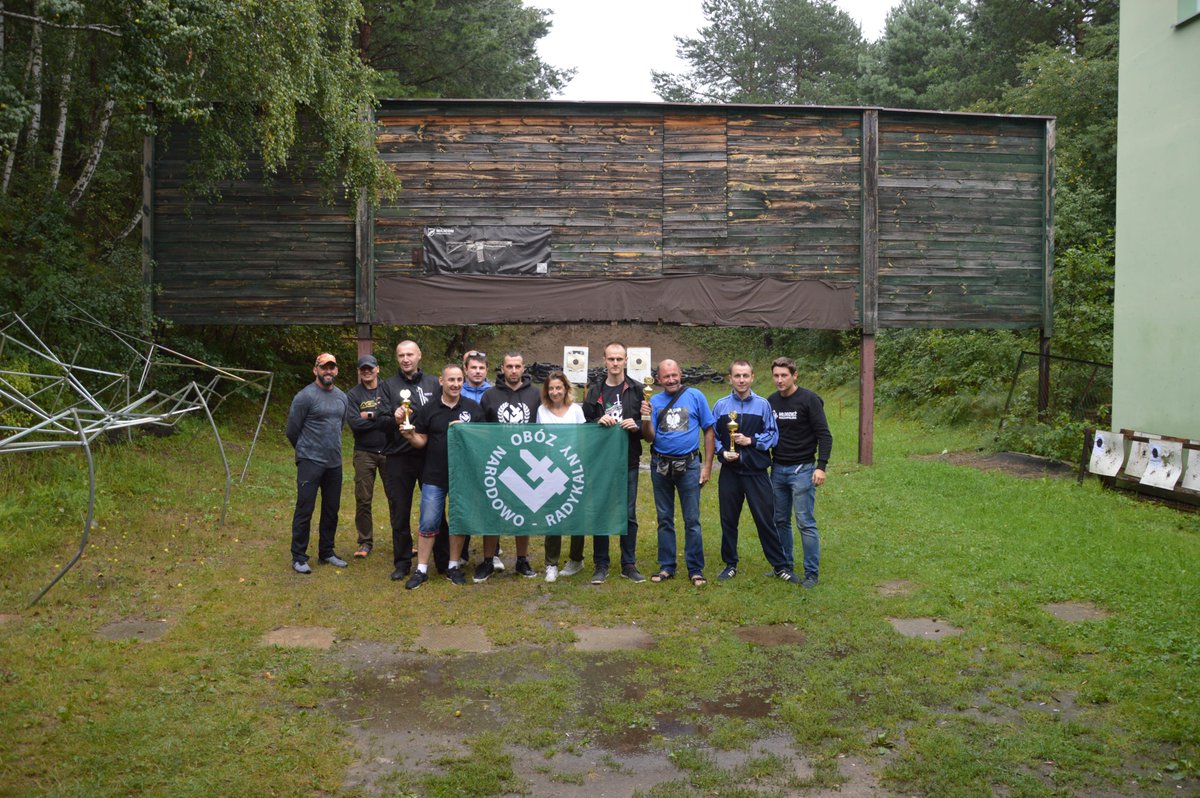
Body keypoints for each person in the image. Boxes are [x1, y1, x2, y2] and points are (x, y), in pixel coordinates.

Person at [397, 363, 485, 589]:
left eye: (459, 380)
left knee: (458, 523)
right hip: (434, 475)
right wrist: (409, 436)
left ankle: (453, 566)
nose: (455, 384)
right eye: (451, 380)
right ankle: (421, 569)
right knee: (428, 522)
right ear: (441, 381)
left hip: (463, 476)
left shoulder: (473, 408)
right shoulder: (428, 409)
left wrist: (466, 430)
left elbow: (482, 443)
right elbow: (421, 441)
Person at [712, 360, 798, 584]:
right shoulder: (721, 406)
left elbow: (773, 435)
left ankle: (780, 565)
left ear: (752, 377)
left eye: (745, 376)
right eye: (737, 376)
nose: (741, 380)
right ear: (730, 378)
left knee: (765, 519)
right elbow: (714, 437)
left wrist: (750, 440)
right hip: (730, 472)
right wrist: (722, 453)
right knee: (728, 520)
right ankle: (730, 564)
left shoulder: (763, 405)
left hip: (756, 472)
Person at [640, 359, 715, 586]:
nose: (671, 380)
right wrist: (645, 417)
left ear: (680, 374)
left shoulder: (695, 396)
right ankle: (666, 566)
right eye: (666, 376)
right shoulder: (653, 401)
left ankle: (695, 569)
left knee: (692, 520)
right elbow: (649, 437)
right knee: (664, 519)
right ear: (659, 379)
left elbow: (709, 430)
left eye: (674, 375)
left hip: (689, 465)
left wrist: (708, 467)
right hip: (660, 465)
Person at [581, 341, 647, 584]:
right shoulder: (595, 390)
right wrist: (599, 420)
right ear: (605, 360)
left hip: (628, 459)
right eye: (611, 359)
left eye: (620, 359)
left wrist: (637, 425)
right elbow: (585, 426)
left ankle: (628, 564)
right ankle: (601, 564)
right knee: (601, 511)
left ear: (626, 360)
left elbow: (647, 424)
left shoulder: (637, 389)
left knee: (628, 513)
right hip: (601, 461)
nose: (616, 363)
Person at [378, 340, 442, 581]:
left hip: (428, 456)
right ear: (397, 359)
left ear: (419, 356)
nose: (405, 359)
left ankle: (442, 560)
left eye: (410, 355)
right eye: (401, 355)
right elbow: (379, 422)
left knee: (435, 509)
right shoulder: (387, 386)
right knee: (399, 510)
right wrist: (393, 418)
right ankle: (402, 562)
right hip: (398, 457)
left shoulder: (434, 383)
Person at [768, 356, 833, 589]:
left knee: (805, 522)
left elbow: (825, 435)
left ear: (794, 375)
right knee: (780, 520)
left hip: (803, 470)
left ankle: (811, 573)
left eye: (784, 375)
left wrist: (821, 466)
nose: (779, 380)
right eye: (776, 375)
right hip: (777, 469)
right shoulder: (771, 402)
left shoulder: (809, 400)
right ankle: (784, 566)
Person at [476, 351, 541, 581]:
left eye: (517, 366)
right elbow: (480, 430)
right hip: (497, 463)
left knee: (522, 513)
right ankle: (487, 560)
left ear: (524, 368)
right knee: (493, 512)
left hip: (525, 463)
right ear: (501, 368)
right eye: (509, 366)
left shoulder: (535, 395)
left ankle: (522, 560)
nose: (513, 370)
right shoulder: (490, 395)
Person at [285, 352, 350, 574]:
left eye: (332, 367)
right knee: (305, 508)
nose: (328, 371)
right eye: (324, 367)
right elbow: (292, 430)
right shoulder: (305, 396)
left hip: (334, 462)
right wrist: (306, 451)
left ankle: (327, 552)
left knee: (332, 509)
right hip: (310, 461)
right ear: (316, 370)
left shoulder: (342, 396)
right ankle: (299, 556)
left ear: (337, 370)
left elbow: (339, 426)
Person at [536, 371, 587, 583]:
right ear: (547, 391)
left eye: (559, 387)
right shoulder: (542, 410)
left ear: (566, 388)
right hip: (550, 470)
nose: (555, 392)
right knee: (552, 516)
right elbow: (539, 440)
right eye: (551, 388)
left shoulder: (576, 410)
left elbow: (584, 438)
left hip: (574, 469)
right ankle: (551, 564)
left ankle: (576, 559)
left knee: (576, 514)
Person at [345, 354, 387, 559]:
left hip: (389, 451)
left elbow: (392, 416)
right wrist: (379, 415)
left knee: (397, 498)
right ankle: (365, 541)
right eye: (363, 369)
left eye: (370, 368)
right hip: (363, 452)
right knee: (363, 499)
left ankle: (403, 540)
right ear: (359, 371)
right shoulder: (352, 395)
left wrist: (369, 415)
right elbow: (354, 423)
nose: (367, 371)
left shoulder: (387, 389)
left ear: (377, 369)